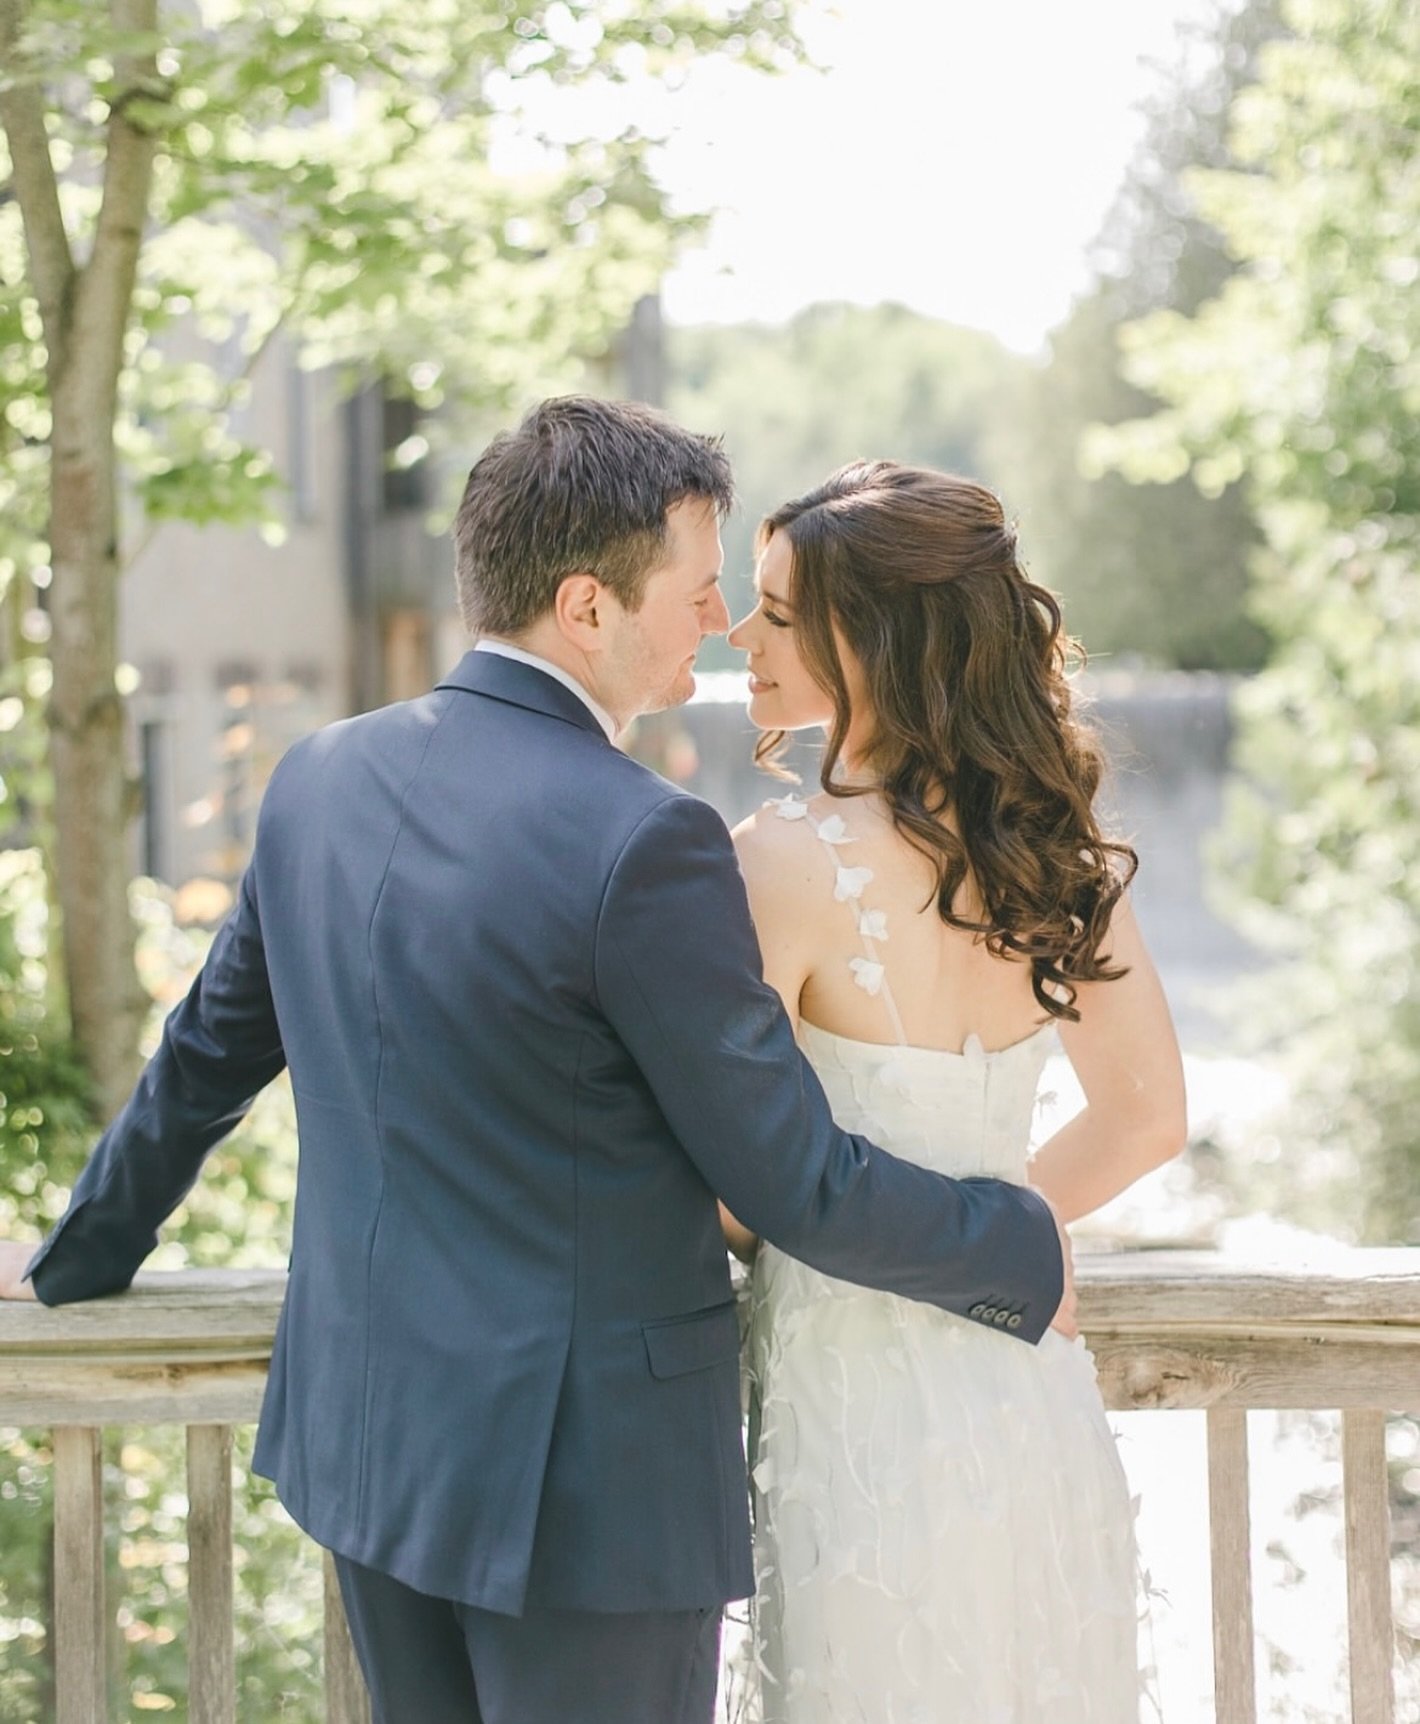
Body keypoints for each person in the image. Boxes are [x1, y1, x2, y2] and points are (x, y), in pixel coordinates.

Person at [0, 400, 1073, 1724]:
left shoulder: (320, 778)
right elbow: (790, 1177)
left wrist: (74, 1259)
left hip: (371, 1454)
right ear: (586, 609)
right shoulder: (650, 841)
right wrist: (1015, 1247)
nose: (720, 622)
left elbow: (204, 1064)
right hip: (590, 1504)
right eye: (696, 589)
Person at [721, 460, 1187, 1724]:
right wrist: (1003, 1226)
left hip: (851, 1405)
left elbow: (727, 1176)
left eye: (772, 609)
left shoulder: (778, 863)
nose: (735, 631)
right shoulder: (1056, 851)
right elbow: (1148, 1117)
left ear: (868, 634)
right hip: (1025, 1381)